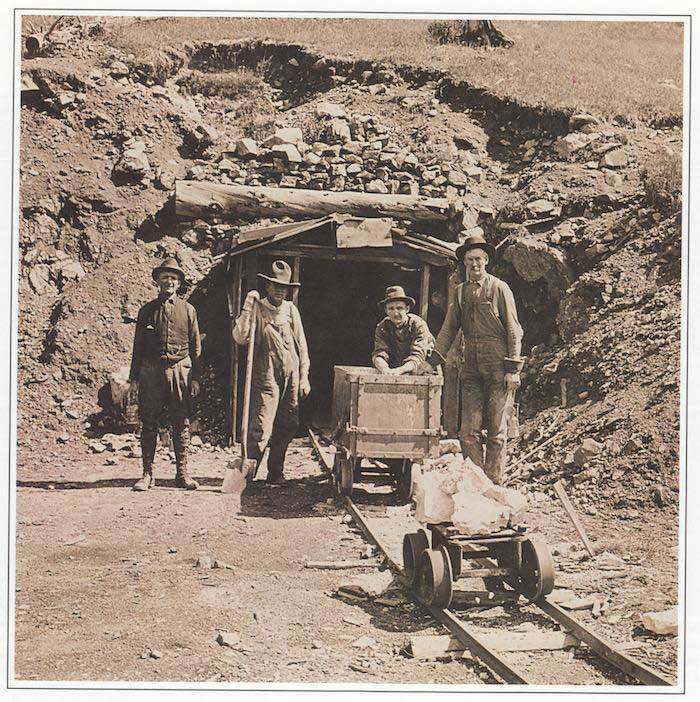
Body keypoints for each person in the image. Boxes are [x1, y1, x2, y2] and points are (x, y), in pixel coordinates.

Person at [428, 233, 524, 485]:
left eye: (479, 259)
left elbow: (514, 329)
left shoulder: (499, 288)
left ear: (487, 261)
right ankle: (477, 482)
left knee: (496, 433)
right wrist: (432, 361)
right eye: (470, 260)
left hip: (497, 366)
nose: (474, 264)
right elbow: (449, 328)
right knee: (468, 432)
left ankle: (494, 481)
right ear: (464, 263)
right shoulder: (460, 292)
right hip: (470, 367)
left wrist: (513, 369)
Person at [233, 260, 311, 483]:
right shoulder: (257, 307)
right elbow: (240, 337)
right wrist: (247, 306)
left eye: (283, 287)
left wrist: (304, 376)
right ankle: (248, 474)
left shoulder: (290, 310)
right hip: (265, 374)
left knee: (288, 423)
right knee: (261, 424)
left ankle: (275, 472)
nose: (280, 291)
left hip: (292, 375)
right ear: (267, 286)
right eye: (275, 286)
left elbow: (302, 346)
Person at [129, 257, 202, 491]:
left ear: (179, 283)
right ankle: (147, 474)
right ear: (158, 282)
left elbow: (196, 346)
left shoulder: (188, 310)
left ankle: (182, 474)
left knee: (181, 421)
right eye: (165, 277)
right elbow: (138, 346)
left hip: (180, 370)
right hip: (151, 371)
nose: (169, 281)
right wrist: (134, 378)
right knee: (149, 421)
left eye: (173, 278)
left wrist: (196, 378)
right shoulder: (147, 311)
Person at [372, 285, 434, 375]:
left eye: (399, 308)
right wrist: (385, 369)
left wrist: (399, 371)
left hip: (423, 370)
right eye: (391, 309)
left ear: (407, 309)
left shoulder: (418, 325)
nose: (396, 313)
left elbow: (418, 356)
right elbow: (379, 353)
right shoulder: (382, 327)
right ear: (386, 311)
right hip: (397, 371)